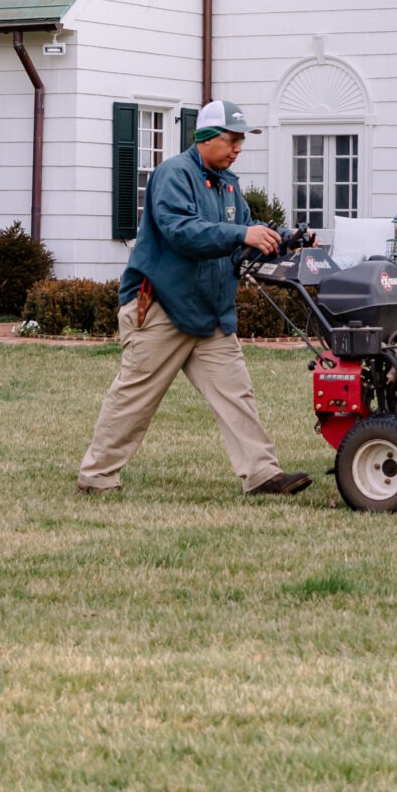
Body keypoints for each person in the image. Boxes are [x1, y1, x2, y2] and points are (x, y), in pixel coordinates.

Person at [77, 98, 311, 497]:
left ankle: (262, 475)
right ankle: (97, 477)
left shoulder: (228, 185)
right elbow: (182, 231)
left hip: (211, 310)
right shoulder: (173, 175)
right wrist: (242, 235)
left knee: (236, 394)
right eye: (232, 139)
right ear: (205, 138)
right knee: (135, 396)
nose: (238, 148)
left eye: (241, 141)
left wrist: (281, 239)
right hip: (161, 307)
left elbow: (240, 235)